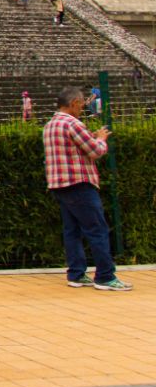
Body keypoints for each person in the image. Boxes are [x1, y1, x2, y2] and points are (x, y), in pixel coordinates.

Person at [43, 87, 130, 291]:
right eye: (82, 104)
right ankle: (105, 276)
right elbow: (95, 151)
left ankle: (76, 274)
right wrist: (101, 138)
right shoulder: (73, 123)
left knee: (71, 230)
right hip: (79, 183)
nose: (83, 107)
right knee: (97, 229)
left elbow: (70, 148)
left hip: (59, 184)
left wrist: (90, 136)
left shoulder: (50, 124)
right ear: (73, 103)